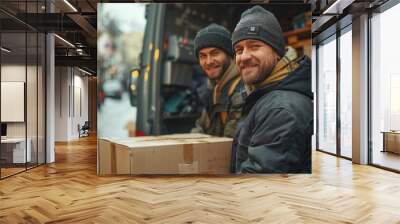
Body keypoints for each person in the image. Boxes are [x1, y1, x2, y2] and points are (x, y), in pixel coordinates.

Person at [231, 6, 313, 173]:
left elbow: (259, 187)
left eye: (254, 46)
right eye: (239, 50)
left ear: (277, 52)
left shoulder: (280, 109)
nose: (244, 56)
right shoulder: (264, 97)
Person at [191, 23, 244, 137]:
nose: (208, 61)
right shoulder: (213, 88)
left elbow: (230, 145)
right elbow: (201, 126)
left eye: (215, 53)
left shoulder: (241, 90)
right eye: (203, 56)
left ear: (230, 54)